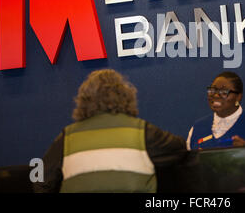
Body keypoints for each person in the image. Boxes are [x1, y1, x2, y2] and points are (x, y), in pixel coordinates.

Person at [33, 69, 186, 193]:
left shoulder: (67, 137)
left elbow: (39, 177)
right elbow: (180, 148)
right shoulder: (142, 131)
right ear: (126, 97)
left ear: (83, 100)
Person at [187, 72, 245, 150]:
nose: (215, 95)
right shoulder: (197, 128)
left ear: (238, 97)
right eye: (212, 90)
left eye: (223, 92)